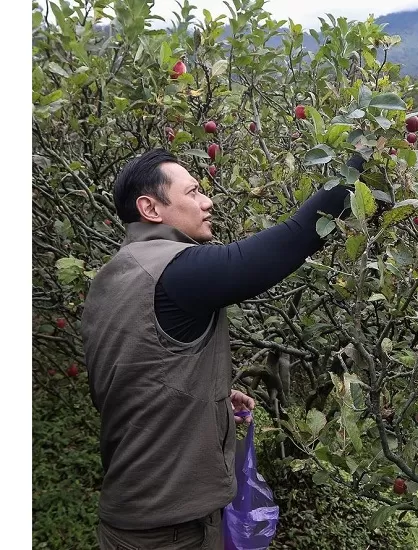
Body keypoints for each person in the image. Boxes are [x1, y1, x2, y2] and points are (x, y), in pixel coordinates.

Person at [81, 148, 360, 549]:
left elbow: (137, 370)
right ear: (151, 208)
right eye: (192, 192)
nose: (207, 201)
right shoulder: (176, 271)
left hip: (132, 513)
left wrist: (204, 399)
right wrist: (364, 150)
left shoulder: (115, 275)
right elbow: (294, 238)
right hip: (170, 531)